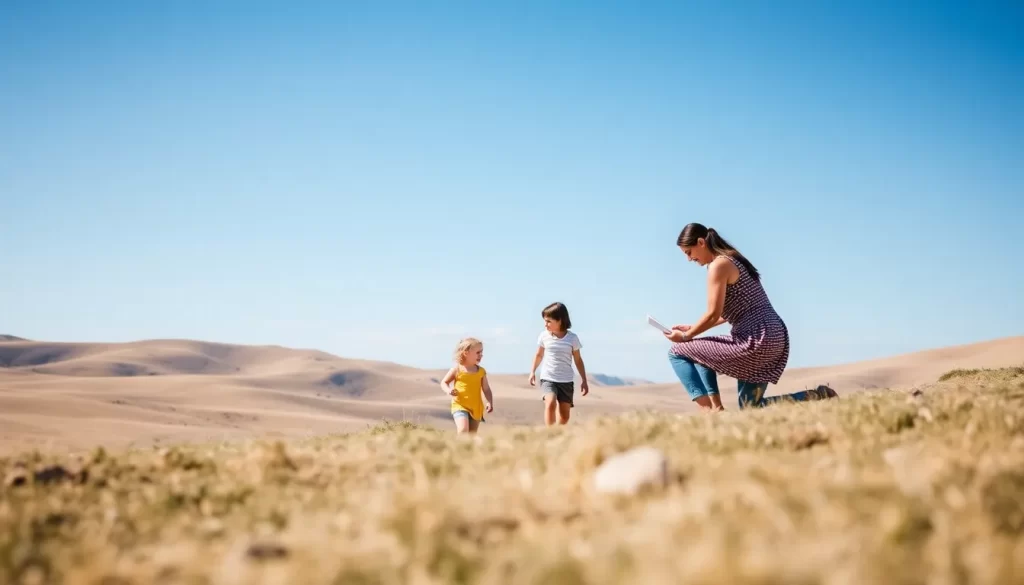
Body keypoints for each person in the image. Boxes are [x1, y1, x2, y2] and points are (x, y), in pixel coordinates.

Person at [664, 223, 838, 410]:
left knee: (677, 352)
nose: (689, 259)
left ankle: (711, 410)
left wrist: (685, 336)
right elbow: (728, 312)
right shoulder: (732, 259)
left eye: (689, 252)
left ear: (701, 242)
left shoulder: (718, 265)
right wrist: (693, 328)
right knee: (750, 407)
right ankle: (818, 395)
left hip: (756, 338)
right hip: (773, 335)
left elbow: (713, 314)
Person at [529, 302, 589, 425]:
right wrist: (532, 372)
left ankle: (559, 432)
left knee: (564, 416)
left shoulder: (572, 338)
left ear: (560, 320)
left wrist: (584, 380)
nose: (545, 324)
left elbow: (578, 360)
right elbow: (539, 355)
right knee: (550, 403)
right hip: (548, 378)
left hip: (566, 380)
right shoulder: (544, 336)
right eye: (545, 321)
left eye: (548, 321)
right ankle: (550, 433)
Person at [440, 337, 494, 434]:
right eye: (478, 352)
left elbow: (486, 389)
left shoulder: (481, 372)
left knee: (471, 436)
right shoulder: (457, 370)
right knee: (463, 430)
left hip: (476, 408)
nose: (481, 355)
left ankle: (462, 445)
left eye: (481, 352)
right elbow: (444, 382)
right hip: (459, 405)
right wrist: (449, 390)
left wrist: (489, 402)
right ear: (466, 353)